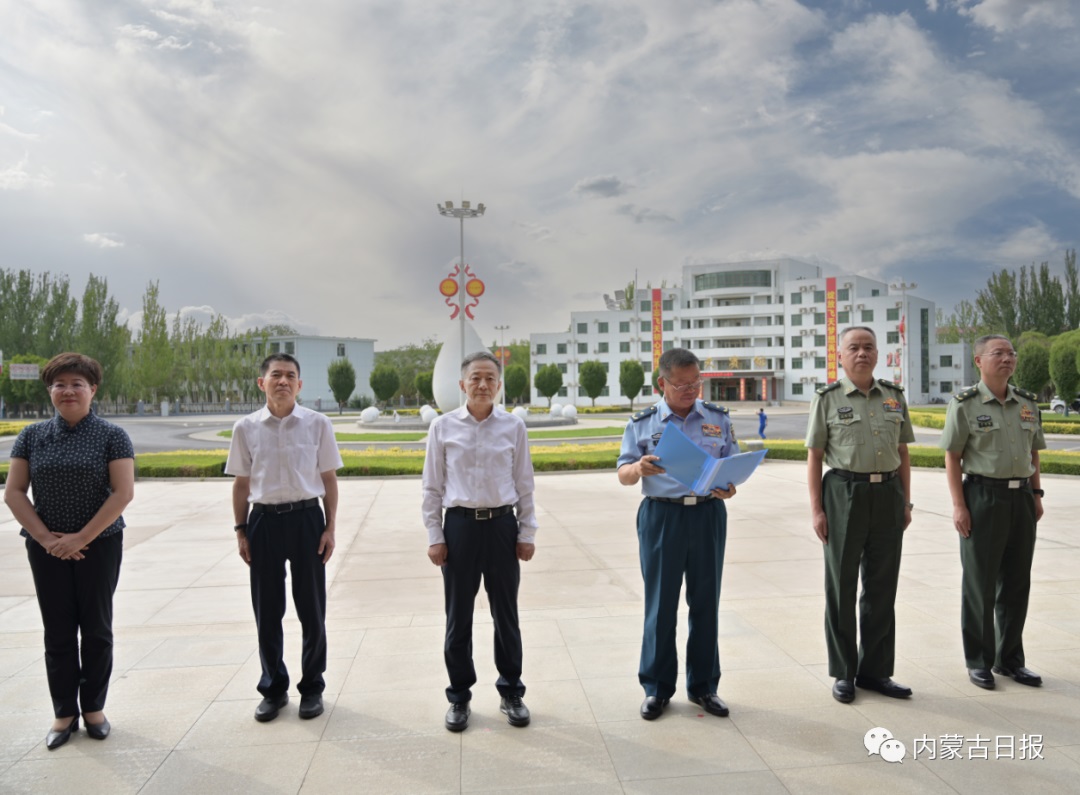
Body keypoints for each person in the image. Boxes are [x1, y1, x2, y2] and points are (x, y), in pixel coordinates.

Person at [3, 353, 135, 749]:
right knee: (58, 631)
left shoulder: (112, 435)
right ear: (50, 391)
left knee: (96, 628)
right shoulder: (31, 436)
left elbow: (122, 493)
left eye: (77, 384)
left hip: (100, 545)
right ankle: (64, 713)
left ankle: (93, 708)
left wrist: (80, 538)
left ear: (93, 390)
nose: (68, 391)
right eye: (59, 384)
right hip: (46, 549)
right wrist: (47, 539)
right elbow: (14, 493)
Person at [617, 347, 737, 721]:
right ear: (662, 383)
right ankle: (656, 688)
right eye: (682, 384)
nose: (691, 390)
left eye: (696, 382)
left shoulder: (717, 419)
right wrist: (638, 468)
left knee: (706, 603)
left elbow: (731, 463)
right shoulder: (643, 423)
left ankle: (704, 686)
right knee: (661, 604)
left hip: (707, 514)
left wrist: (730, 487)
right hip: (662, 516)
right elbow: (623, 474)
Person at [422, 351, 537, 733]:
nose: (483, 384)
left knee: (506, 615)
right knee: (458, 618)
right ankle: (459, 696)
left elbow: (524, 484)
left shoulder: (513, 427)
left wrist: (527, 532)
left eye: (490, 378)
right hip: (460, 529)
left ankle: (511, 692)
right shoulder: (442, 427)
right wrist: (435, 536)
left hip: (502, 527)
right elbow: (432, 488)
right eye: (476, 378)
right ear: (462, 384)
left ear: (499, 385)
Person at [225, 353, 342, 722]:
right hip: (263, 522)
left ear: (299, 384)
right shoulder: (246, 428)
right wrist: (241, 530)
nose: (283, 381)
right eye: (275, 375)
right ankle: (273, 688)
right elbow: (241, 484)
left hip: (308, 520)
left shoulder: (317, 424)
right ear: (262, 383)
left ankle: (312, 687)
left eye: (290, 375)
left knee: (312, 609)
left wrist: (330, 528)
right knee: (267, 611)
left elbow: (329, 480)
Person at [805, 327, 914, 704]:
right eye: (854, 347)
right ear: (840, 356)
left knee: (882, 586)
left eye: (869, 347)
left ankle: (875, 671)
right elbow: (814, 456)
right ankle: (843, 672)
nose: (862, 353)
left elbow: (903, 452)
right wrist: (817, 509)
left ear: (878, 354)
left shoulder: (895, 397)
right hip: (843, 493)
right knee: (841, 586)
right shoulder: (827, 399)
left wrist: (906, 502)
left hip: (888, 494)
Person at [940, 335, 1045, 690]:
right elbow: (952, 457)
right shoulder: (965, 404)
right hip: (982, 497)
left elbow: (1034, 453)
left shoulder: (1027, 403)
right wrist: (959, 505)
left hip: (1022, 498)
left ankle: (1010, 659)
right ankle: (979, 661)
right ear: (979, 361)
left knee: (1016, 582)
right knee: (980, 584)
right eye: (998, 353)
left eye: (1011, 353)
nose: (1007, 358)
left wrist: (1036, 494)